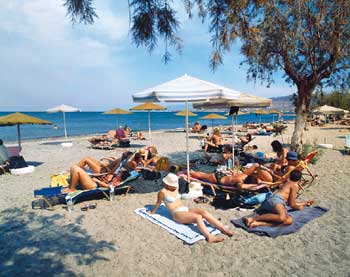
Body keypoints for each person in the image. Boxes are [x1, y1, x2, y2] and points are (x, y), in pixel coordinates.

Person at [148, 173, 234, 243]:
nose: (175, 185)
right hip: (177, 214)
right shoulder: (162, 192)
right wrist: (152, 212)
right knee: (198, 217)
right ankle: (209, 236)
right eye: (172, 184)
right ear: (167, 184)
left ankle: (222, 228)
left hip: (184, 209)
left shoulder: (176, 187)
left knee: (203, 211)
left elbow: (182, 180)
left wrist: (183, 176)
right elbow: (158, 203)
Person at [244, 170, 314, 228]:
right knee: (282, 217)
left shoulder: (286, 183)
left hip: (270, 202)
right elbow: (292, 204)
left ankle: (258, 223)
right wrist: (298, 207)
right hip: (276, 201)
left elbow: (289, 202)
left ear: (290, 176)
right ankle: (252, 219)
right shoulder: (294, 185)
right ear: (299, 179)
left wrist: (304, 203)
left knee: (288, 221)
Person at [189, 166, 262, 190]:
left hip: (221, 175)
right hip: (218, 179)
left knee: (204, 175)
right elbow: (242, 186)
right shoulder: (240, 182)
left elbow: (255, 165)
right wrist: (254, 185)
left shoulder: (244, 175)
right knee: (201, 176)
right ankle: (187, 172)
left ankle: (191, 172)